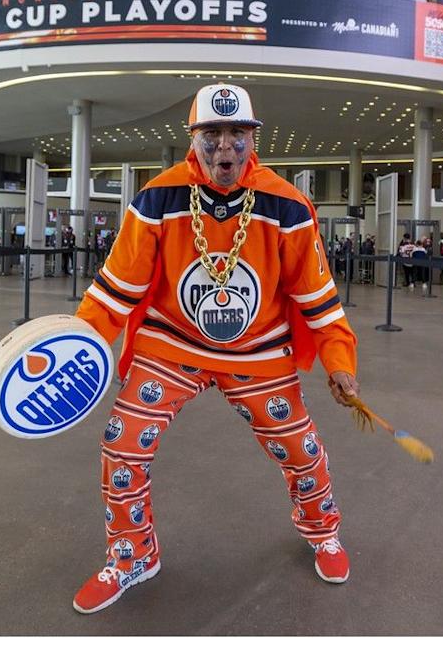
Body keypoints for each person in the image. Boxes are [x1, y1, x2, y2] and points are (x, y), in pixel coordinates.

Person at [71, 83, 359, 614]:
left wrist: (339, 361)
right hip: (170, 344)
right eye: (212, 134)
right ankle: (133, 555)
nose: (225, 148)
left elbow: (317, 296)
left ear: (253, 138)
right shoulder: (157, 197)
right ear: (193, 137)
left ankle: (324, 532)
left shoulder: (287, 205)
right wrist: (75, 346)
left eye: (236, 134)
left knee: (302, 450)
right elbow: (115, 290)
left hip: (259, 350)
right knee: (122, 445)